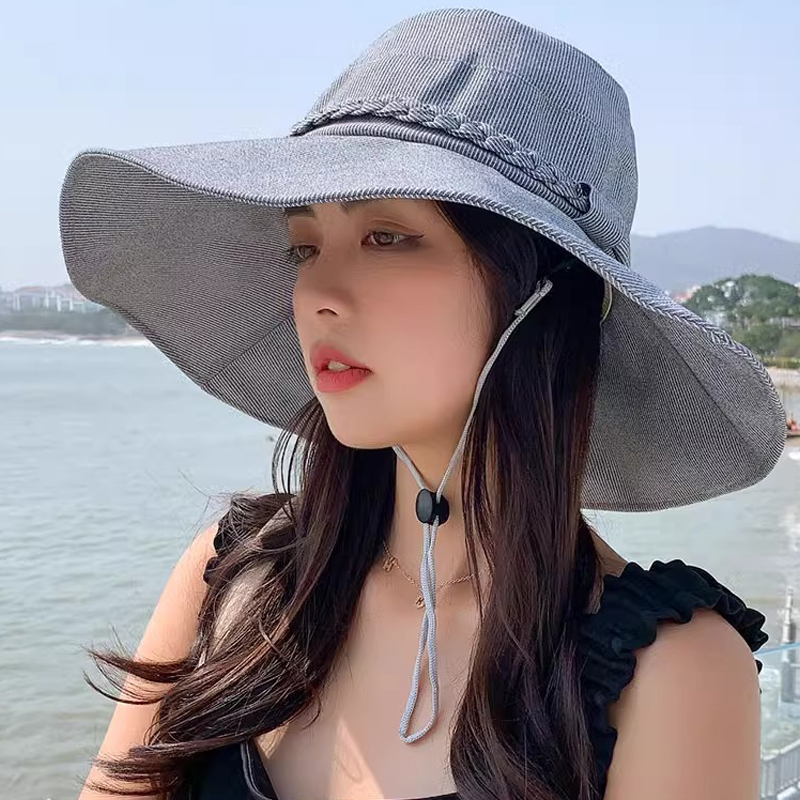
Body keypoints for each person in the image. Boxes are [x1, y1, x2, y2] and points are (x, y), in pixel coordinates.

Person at [59, 9, 783, 800]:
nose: (318, 294)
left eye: (387, 237)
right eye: (305, 246)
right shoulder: (233, 581)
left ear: (542, 296)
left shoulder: (668, 675)